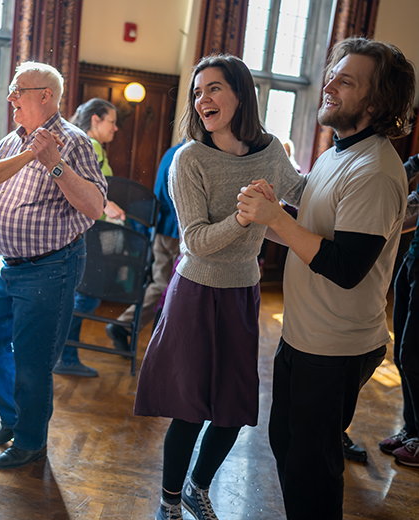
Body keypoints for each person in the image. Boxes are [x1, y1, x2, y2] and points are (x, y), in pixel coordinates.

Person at [237, 37, 416, 520]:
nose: (329, 85)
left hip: (336, 345)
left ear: (375, 104)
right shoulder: (339, 151)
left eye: (346, 81)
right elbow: (318, 234)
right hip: (307, 335)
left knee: (311, 469)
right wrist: (280, 210)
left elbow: (345, 267)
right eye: (332, 73)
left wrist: (277, 219)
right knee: (290, 448)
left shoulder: (375, 170)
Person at [133, 54, 304, 520]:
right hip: (196, 292)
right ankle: (168, 502)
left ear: (239, 93)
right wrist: (246, 216)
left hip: (242, 291)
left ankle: (197, 487)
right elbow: (197, 241)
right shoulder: (189, 160)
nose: (202, 99)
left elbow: (304, 196)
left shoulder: (270, 152)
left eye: (213, 88)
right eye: (197, 91)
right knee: (189, 409)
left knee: (233, 409)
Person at [0, 61, 107, 470]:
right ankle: (14, 418)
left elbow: (95, 207)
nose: (10, 97)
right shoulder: (13, 140)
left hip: (50, 268)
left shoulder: (76, 142)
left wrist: (54, 162)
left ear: (45, 95)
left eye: (18, 90)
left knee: (33, 360)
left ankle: (31, 441)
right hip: (6, 265)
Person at [53, 97, 125, 378]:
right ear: (95, 119)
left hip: (89, 230)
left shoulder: (90, 145)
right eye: (112, 121)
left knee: (82, 295)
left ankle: (63, 354)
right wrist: (108, 206)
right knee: (86, 297)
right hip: (89, 232)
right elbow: (83, 186)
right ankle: (62, 354)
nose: (115, 128)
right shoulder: (91, 146)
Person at [105, 138, 183, 351]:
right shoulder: (188, 155)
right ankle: (160, 344)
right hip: (177, 233)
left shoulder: (172, 151)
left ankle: (124, 324)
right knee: (175, 290)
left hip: (162, 228)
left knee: (160, 286)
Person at [380, 152, 419, 466]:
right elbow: (407, 211)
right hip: (413, 262)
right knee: (402, 355)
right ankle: (411, 428)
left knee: (412, 354)